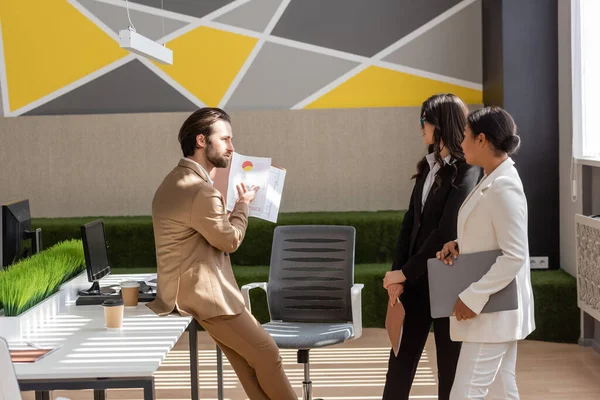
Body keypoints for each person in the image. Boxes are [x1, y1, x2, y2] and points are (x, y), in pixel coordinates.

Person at [147, 107, 297, 400]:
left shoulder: (174, 180)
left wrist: (228, 209)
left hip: (185, 293)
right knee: (268, 355)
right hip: (208, 298)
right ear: (202, 141)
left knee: (248, 365)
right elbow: (229, 241)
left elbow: (200, 228)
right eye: (225, 139)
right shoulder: (201, 190)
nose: (232, 147)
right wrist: (243, 205)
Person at [382, 94, 482, 400]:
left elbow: (445, 231)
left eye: (423, 120)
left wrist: (405, 273)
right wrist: (398, 273)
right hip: (414, 280)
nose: (420, 127)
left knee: (450, 367)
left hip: (448, 279)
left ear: (440, 123)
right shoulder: (428, 166)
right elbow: (410, 223)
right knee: (400, 361)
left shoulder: (467, 170)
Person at [436, 106, 535, 399]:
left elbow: (514, 256)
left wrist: (473, 296)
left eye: (465, 136)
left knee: (465, 394)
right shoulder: (492, 178)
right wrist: (459, 245)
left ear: (481, 140)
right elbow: (492, 234)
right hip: (495, 312)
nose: (461, 143)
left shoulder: (504, 186)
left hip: (492, 311)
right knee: (504, 390)